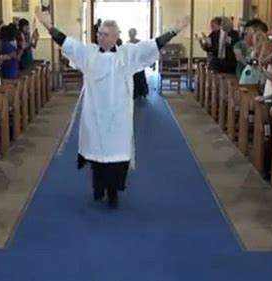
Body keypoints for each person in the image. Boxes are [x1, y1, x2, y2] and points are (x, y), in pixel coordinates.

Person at [35, 7, 190, 208]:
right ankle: (98, 189)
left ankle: (114, 191)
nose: (100, 37)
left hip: (119, 117)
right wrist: (49, 26)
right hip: (95, 115)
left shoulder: (127, 55)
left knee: (117, 157)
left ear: (116, 36)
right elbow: (67, 44)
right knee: (97, 156)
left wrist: (174, 31)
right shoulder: (89, 53)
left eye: (105, 34)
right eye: (99, 33)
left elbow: (152, 46)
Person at [128, 28, 149, 99]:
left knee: (140, 78)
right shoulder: (127, 43)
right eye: (130, 34)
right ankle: (136, 93)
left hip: (138, 62)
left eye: (132, 33)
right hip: (132, 63)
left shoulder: (139, 43)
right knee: (134, 78)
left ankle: (142, 92)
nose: (131, 35)